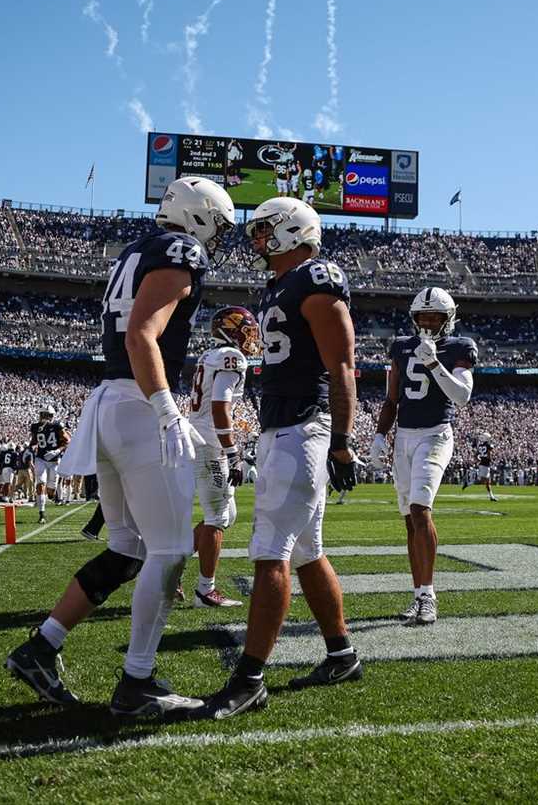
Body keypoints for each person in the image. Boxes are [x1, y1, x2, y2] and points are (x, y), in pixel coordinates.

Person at [5, 176, 235, 717]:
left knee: (127, 548)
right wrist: (165, 408)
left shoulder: (136, 249)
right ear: (200, 216)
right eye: (218, 225)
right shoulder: (181, 249)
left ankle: (41, 646)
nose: (218, 237)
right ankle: (138, 682)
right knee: (172, 549)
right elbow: (142, 335)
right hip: (138, 405)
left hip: (109, 399)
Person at [203, 196, 361, 720]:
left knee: (271, 552)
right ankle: (341, 655)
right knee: (307, 552)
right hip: (283, 426)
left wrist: (341, 441)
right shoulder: (281, 284)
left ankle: (249, 679)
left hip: (304, 427)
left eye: (265, 230)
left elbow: (342, 366)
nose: (256, 240)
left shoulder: (317, 278)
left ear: (293, 230)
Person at [369, 286, 476, 626]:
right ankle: (418, 595)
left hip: (435, 434)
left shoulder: (460, 347)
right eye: (423, 317)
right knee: (408, 520)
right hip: (404, 438)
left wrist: (433, 362)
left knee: (420, 510)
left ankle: (429, 596)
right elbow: (391, 398)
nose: (429, 323)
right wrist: (379, 435)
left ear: (449, 319)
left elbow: (461, 396)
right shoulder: (401, 346)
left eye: (435, 317)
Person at [187, 305, 261, 608]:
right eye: (246, 330)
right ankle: (206, 590)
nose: (251, 337)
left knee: (226, 515)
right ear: (231, 331)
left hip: (204, 439)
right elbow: (220, 406)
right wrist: (232, 453)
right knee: (217, 516)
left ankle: (170, 570)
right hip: (210, 443)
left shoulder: (211, 356)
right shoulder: (232, 358)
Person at [30, 408, 69, 522]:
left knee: (50, 492)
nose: (44, 417)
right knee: (40, 483)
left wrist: (57, 451)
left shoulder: (57, 426)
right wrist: (31, 446)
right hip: (41, 458)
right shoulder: (35, 427)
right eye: (43, 414)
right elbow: (33, 441)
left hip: (54, 461)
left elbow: (67, 441)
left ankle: (52, 494)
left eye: (46, 415)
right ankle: (41, 514)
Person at [474, 432, 498, 501]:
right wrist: (491, 461)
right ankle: (470, 481)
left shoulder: (480, 446)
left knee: (487, 481)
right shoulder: (488, 445)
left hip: (482, 463)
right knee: (484, 480)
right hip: (486, 464)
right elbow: (489, 454)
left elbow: (476, 455)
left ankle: (491, 496)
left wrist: (479, 459)